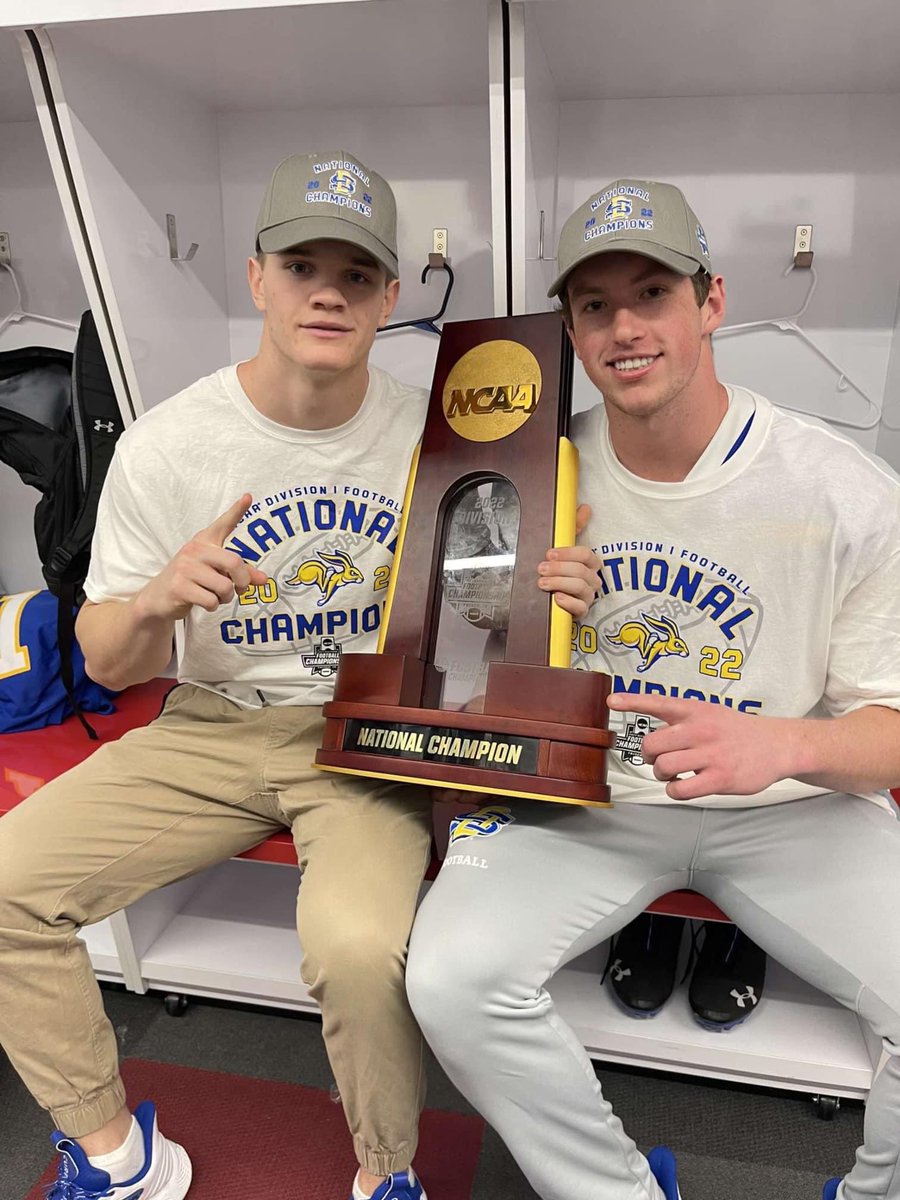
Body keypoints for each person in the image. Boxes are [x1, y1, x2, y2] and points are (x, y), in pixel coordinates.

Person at [0, 148, 596, 1200]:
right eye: (302, 264)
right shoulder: (170, 443)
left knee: (360, 946)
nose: (329, 289)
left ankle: (387, 1173)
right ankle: (113, 1154)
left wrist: (546, 583)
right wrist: (153, 601)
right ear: (257, 278)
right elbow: (104, 659)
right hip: (209, 723)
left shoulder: (441, 433)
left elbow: (479, 627)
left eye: (356, 273)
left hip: (363, 736)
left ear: (388, 297)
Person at [406, 178, 900, 1200]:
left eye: (652, 294)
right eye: (595, 305)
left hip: (786, 808)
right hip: (585, 799)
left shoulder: (841, 486)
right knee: (449, 980)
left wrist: (788, 745)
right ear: (573, 329)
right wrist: (517, 615)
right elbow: (455, 677)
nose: (624, 328)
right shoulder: (529, 472)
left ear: (710, 301)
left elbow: (890, 728)